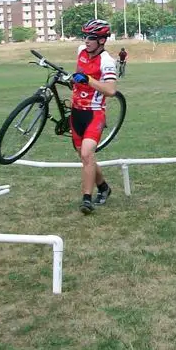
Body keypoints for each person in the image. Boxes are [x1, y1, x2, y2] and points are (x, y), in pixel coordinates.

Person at [71, 19, 118, 215]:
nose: (87, 41)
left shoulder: (107, 61)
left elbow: (110, 90)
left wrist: (89, 80)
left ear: (102, 40)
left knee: (87, 155)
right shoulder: (81, 50)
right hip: (76, 112)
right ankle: (104, 188)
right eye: (85, 36)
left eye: (91, 37)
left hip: (94, 113)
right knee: (85, 157)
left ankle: (86, 199)